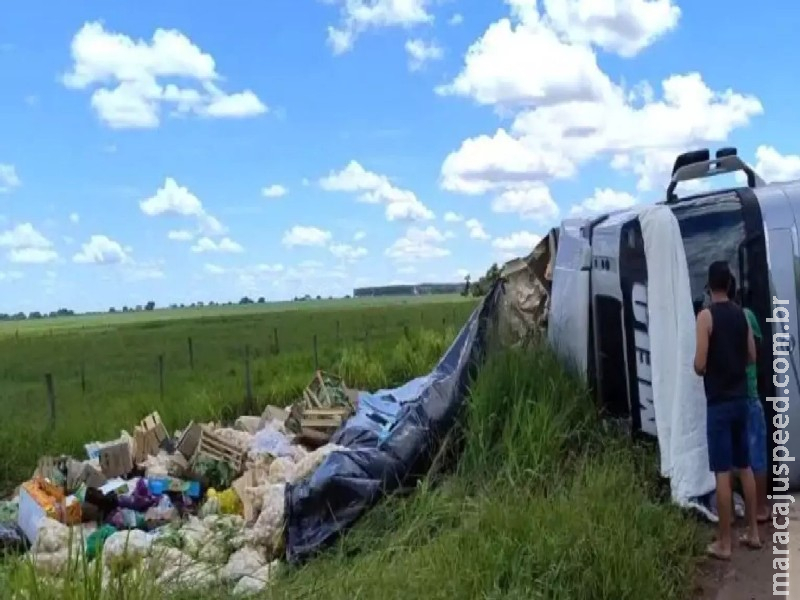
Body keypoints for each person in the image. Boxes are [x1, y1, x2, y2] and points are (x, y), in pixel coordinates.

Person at [694, 261, 762, 560]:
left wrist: (706, 365)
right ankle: (754, 533)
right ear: (730, 284)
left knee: (722, 472)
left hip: (719, 403)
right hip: (741, 399)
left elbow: (699, 364)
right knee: (744, 466)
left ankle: (724, 543)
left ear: (710, 286)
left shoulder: (705, 316)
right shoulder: (742, 315)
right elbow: (751, 356)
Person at [726, 276, 770, 523]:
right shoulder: (747, 316)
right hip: (751, 394)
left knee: (732, 459)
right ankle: (761, 508)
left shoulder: (713, 318)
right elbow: (758, 347)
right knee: (757, 457)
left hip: (730, 396)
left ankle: (734, 510)